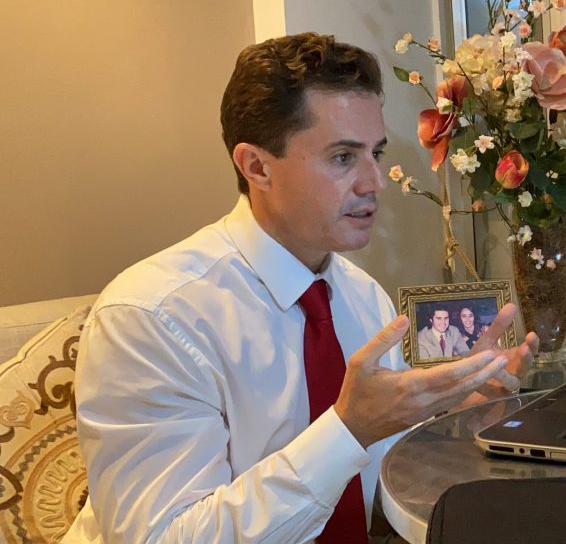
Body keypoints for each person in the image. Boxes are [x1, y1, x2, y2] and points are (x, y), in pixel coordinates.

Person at [64, 32, 538, 543]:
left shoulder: (362, 297)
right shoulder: (150, 317)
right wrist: (346, 431)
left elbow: (378, 475)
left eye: (375, 153)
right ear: (256, 167)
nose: (374, 182)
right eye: (343, 157)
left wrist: (458, 411)